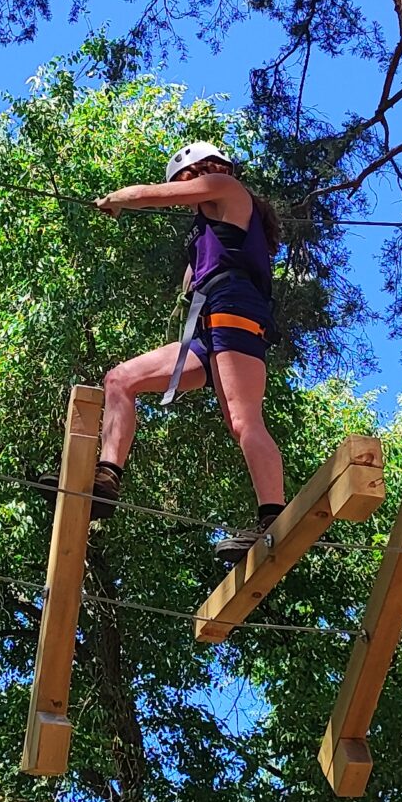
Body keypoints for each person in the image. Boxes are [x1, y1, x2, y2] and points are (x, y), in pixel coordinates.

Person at [91, 141, 288, 561]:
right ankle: (106, 478)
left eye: (183, 180)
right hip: (207, 322)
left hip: (235, 307)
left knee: (242, 418)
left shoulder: (227, 187)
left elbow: (153, 195)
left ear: (197, 171)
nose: (184, 192)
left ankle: (274, 517)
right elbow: (193, 281)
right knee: (120, 380)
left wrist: (118, 199)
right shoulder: (206, 233)